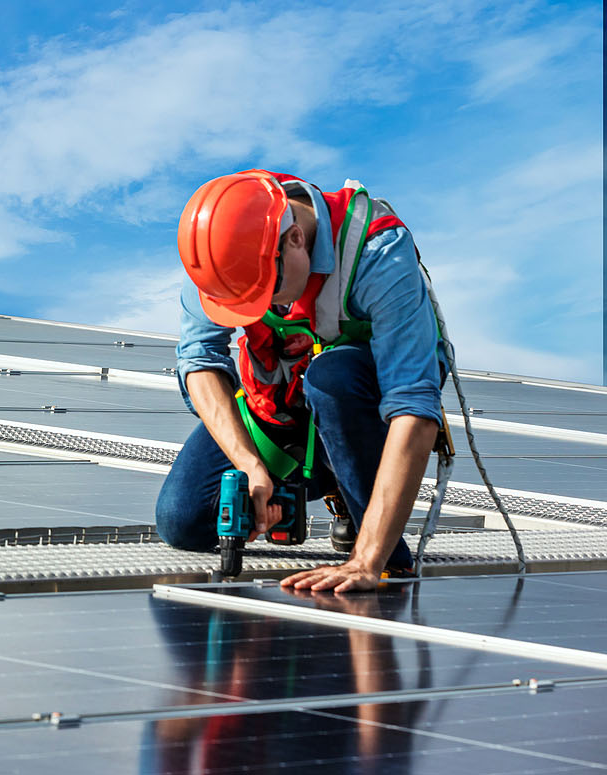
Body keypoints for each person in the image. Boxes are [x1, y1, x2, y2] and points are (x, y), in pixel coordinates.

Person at [157, 169, 450, 592]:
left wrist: (368, 560)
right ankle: (324, 478)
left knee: (332, 377)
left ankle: (374, 532)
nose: (263, 307)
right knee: (182, 520)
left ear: (294, 239)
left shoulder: (376, 252)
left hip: (363, 400)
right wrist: (250, 466)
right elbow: (199, 360)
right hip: (283, 399)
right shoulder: (220, 254)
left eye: (266, 291)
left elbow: (412, 407)